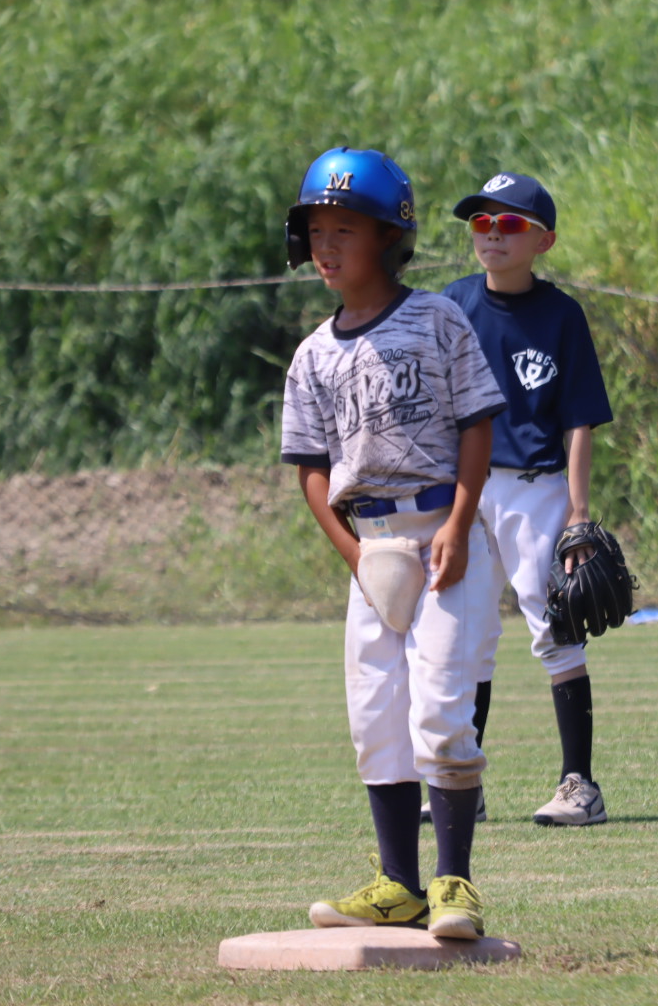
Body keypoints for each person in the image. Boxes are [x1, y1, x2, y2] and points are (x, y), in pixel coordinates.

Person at [279, 147, 507, 938]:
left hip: (443, 537)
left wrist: (459, 524)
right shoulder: (313, 353)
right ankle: (397, 886)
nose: (327, 245)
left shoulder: (438, 319)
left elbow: (477, 425)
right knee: (377, 718)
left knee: (441, 714)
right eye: (316, 230)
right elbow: (312, 469)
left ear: (388, 236)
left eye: (344, 229)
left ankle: (454, 884)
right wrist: (354, 558)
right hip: (370, 546)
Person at [437, 171, 614, 827]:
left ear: (544, 241)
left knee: (555, 629)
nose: (492, 234)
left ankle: (581, 787)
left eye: (509, 223)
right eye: (481, 222)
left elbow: (578, 421)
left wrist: (578, 514)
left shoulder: (561, 315)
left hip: (534, 488)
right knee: (467, 636)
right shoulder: (453, 304)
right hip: (465, 488)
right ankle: (464, 785)